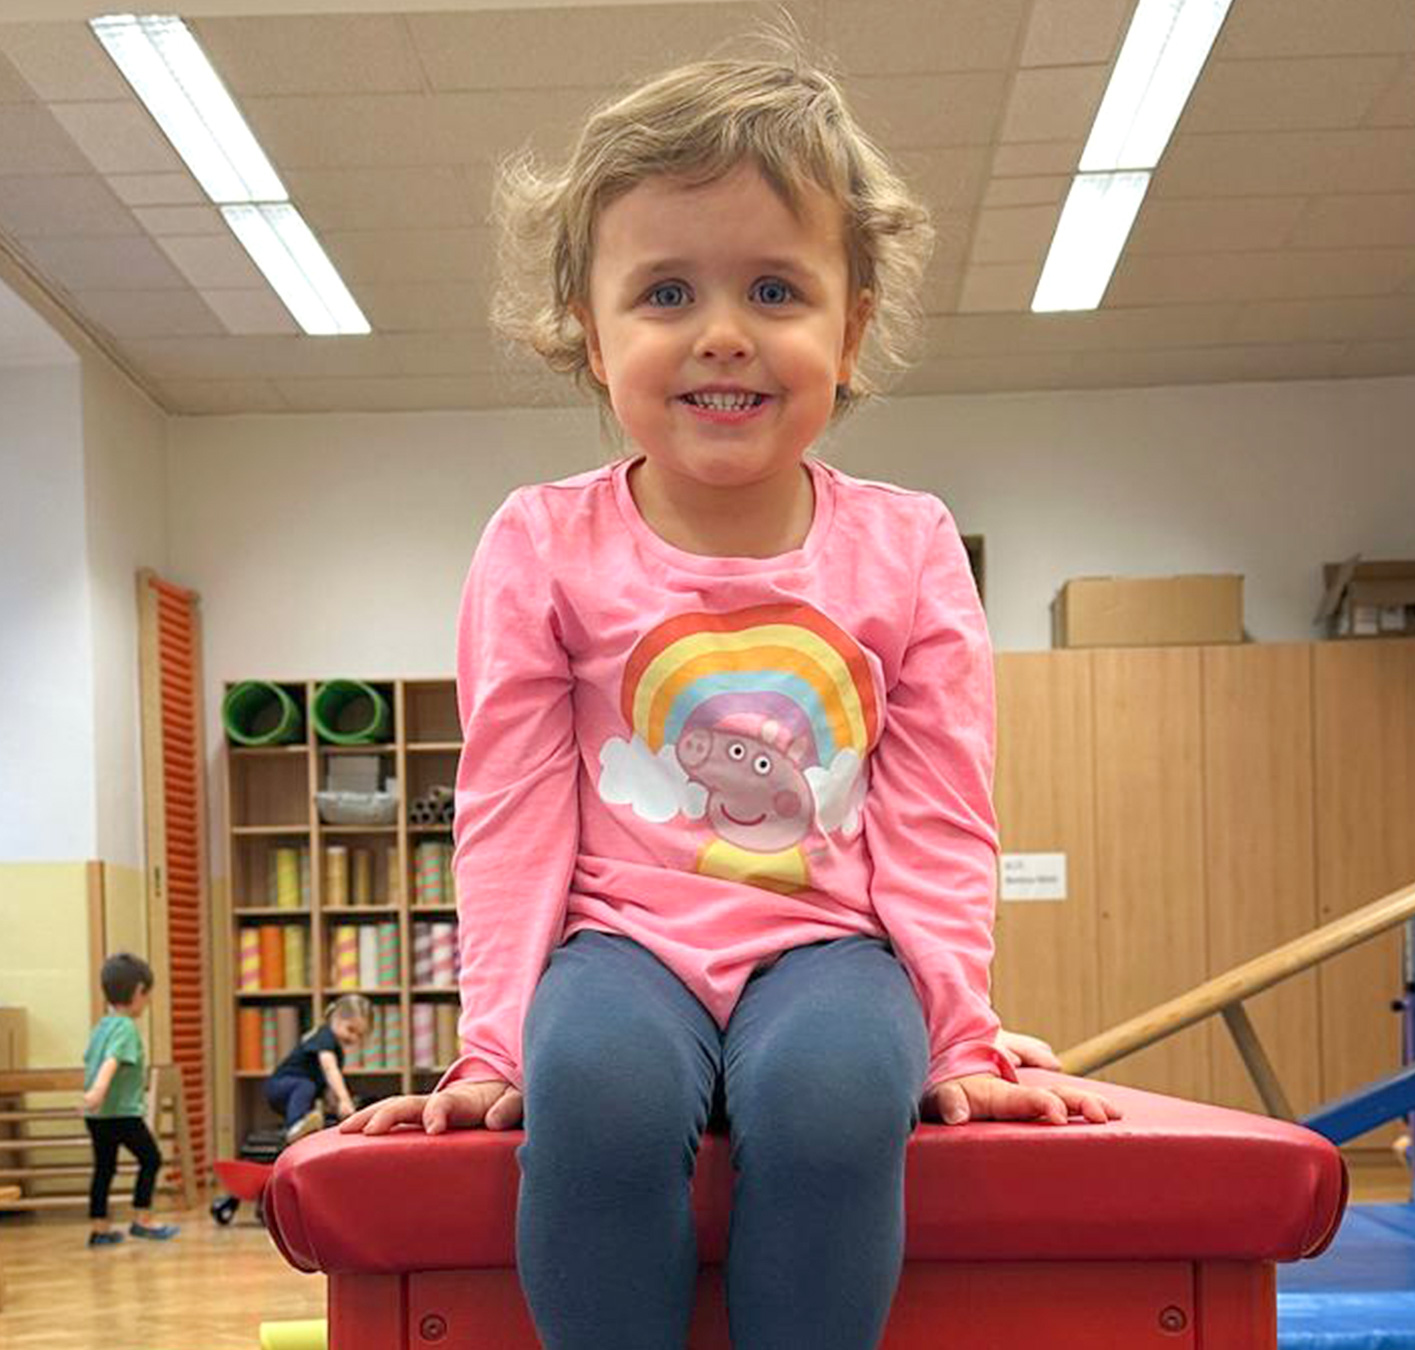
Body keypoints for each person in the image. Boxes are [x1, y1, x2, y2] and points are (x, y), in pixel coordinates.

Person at [340, 30, 1117, 1348]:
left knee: (832, 1101)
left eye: (773, 288)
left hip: (826, 946)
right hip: (621, 945)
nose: (721, 334)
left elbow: (937, 811)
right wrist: (494, 1044)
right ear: (587, 331)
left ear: (850, 324)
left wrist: (959, 1037)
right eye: (663, 294)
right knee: (587, 1089)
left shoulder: (907, 546)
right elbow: (513, 807)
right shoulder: (541, 542)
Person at [80, 952, 178, 1247]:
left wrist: (93, 1097)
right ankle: (142, 1219)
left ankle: (100, 1227)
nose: (147, 1003)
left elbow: (91, 1059)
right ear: (138, 992)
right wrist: (99, 1090)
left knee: (104, 1168)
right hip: (121, 1113)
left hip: (97, 1118)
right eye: (147, 996)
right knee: (151, 1159)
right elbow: (112, 1061)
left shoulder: (102, 1026)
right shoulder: (125, 1028)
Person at [269, 993, 371, 1143]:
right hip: (280, 1086)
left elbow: (328, 1087)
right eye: (351, 1029)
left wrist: (338, 1109)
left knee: (315, 1103)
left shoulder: (335, 1048)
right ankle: (294, 1127)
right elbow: (330, 1069)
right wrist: (344, 1099)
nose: (353, 1038)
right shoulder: (324, 1036)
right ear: (335, 1019)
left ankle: (300, 1129)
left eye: (360, 1035)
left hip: (296, 1091)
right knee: (306, 1086)